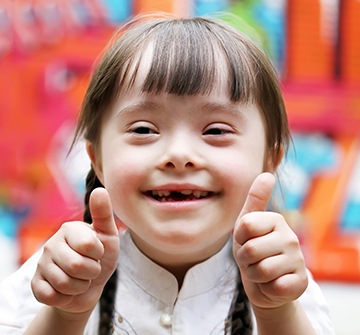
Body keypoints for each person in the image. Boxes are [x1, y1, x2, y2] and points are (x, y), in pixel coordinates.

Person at [0, 14, 334, 335]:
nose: (179, 155)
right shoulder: (54, 275)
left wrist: (277, 312)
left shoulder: (289, 288)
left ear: (269, 159)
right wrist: (64, 314)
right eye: (144, 129)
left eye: (216, 130)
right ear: (97, 159)